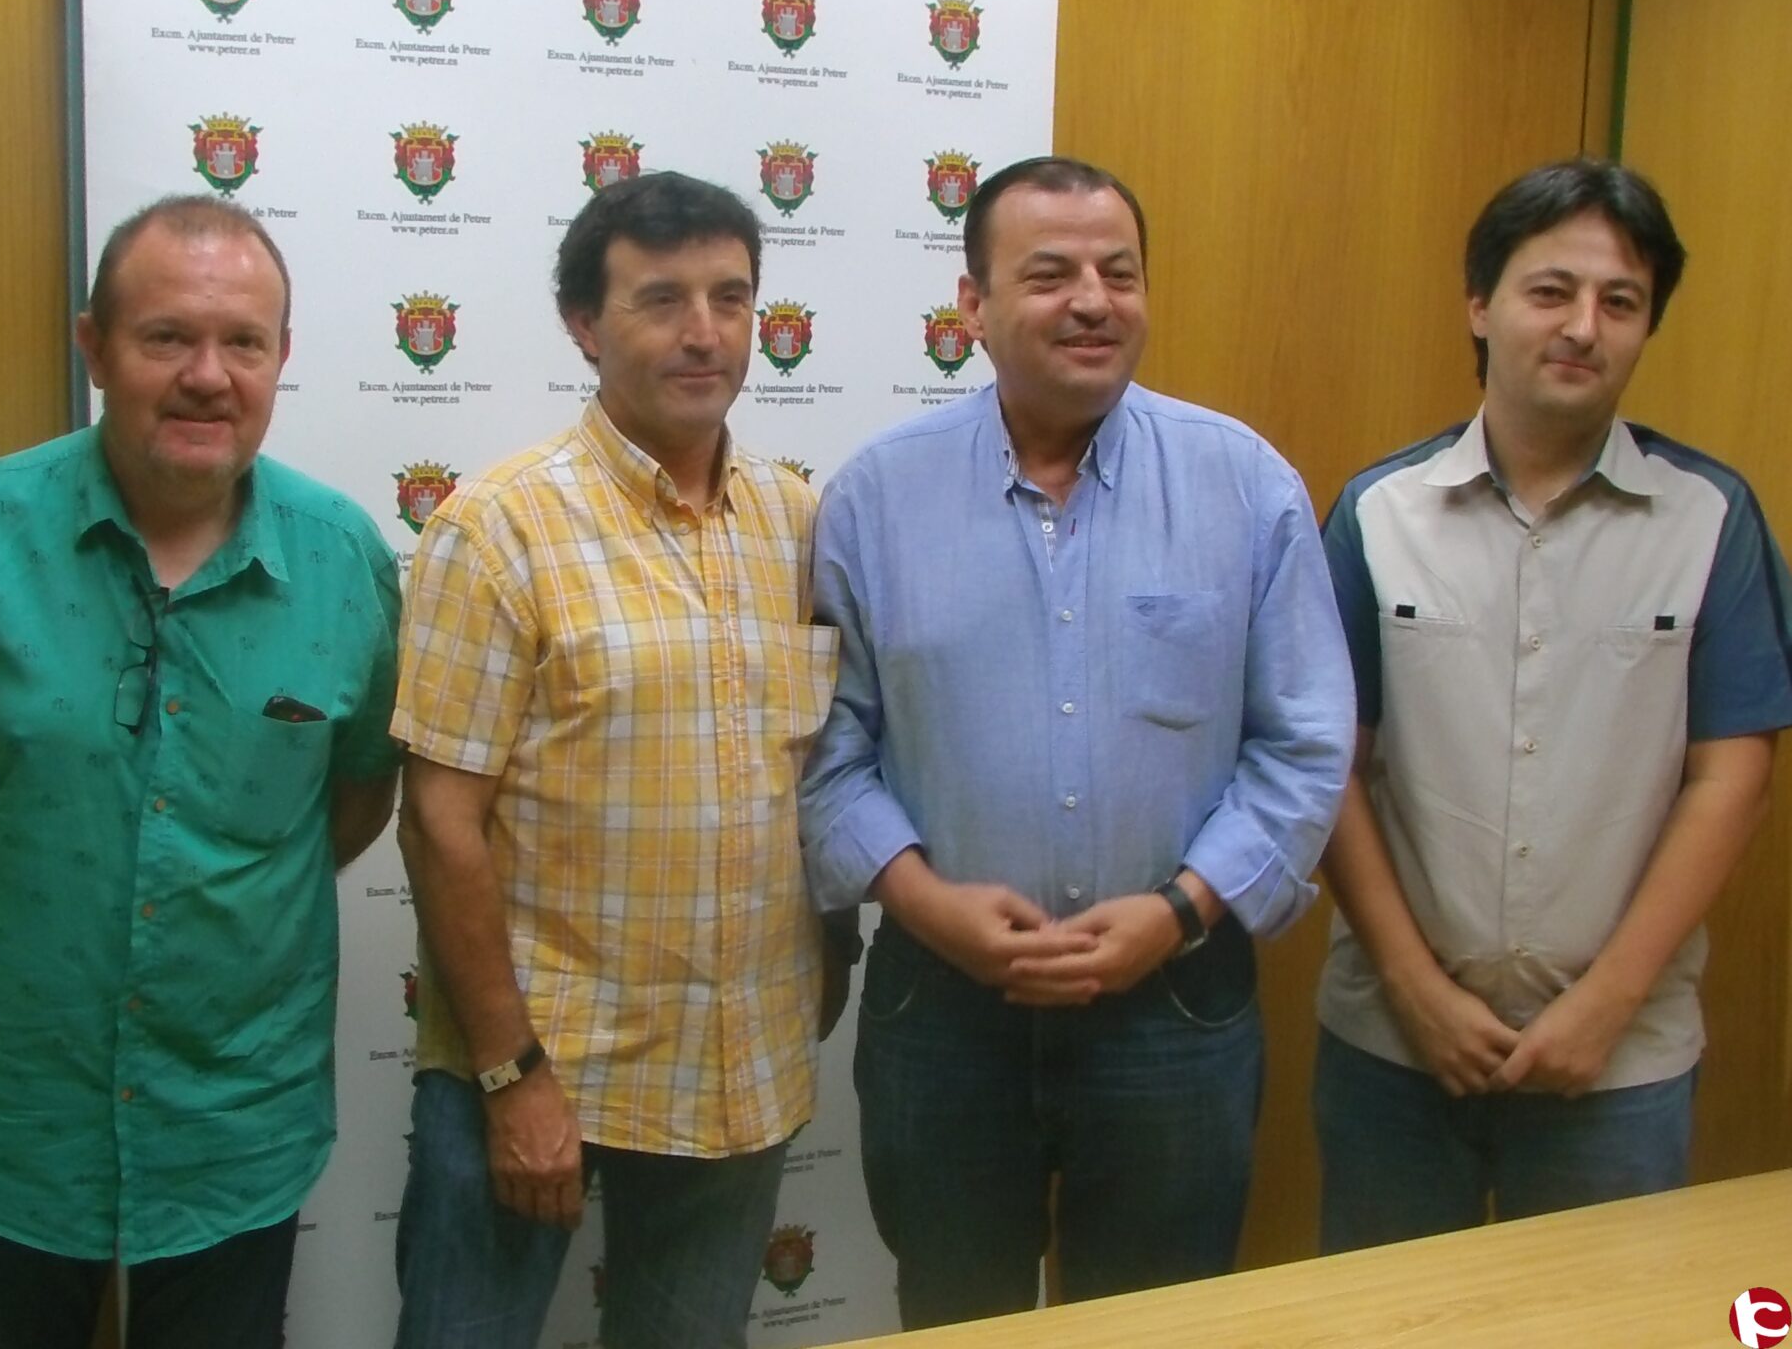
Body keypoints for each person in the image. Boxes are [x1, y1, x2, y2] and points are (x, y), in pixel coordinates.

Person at [798, 155, 1354, 1329]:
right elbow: (825, 754)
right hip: (943, 1007)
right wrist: (927, 903)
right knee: (957, 1314)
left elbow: (1306, 744)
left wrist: (1180, 910)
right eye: (1051, 274)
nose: (1093, 301)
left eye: (1120, 273)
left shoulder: (1244, 484)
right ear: (973, 304)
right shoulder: (874, 499)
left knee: (1158, 1322)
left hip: (1176, 1002)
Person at [0, 194, 402, 1349]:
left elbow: (357, 797)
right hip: (8, 1115)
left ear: (281, 356)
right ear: (95, 346)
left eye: (242, 341)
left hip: (234, 1122)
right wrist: (8, 909)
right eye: (167, 337)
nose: (208, 375)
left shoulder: (347, 559)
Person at [389, 170, 850, 1349]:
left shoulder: (800, 523)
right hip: (536, 1065)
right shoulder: (499, 527)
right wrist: (511, 1078)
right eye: (661, 300)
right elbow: (439, 821)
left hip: (738, 1064)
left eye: (730, 297)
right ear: (584, 326)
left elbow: (824, 773)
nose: (705, 331)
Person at [1314, 158, 1792, 1251]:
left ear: (1647, 326)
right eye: (1551, 291)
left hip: (1617, 1063)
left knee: (1598, 1320)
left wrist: (1606, 1005)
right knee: (1389, 1320)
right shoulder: (1380, 512)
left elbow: (1733, 777)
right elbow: (1331, 763)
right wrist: (1413, 988)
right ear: (1480, 305)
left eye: (1620, 302)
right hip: (1396, 1046)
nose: (1584, 326)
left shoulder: (1712, 519)